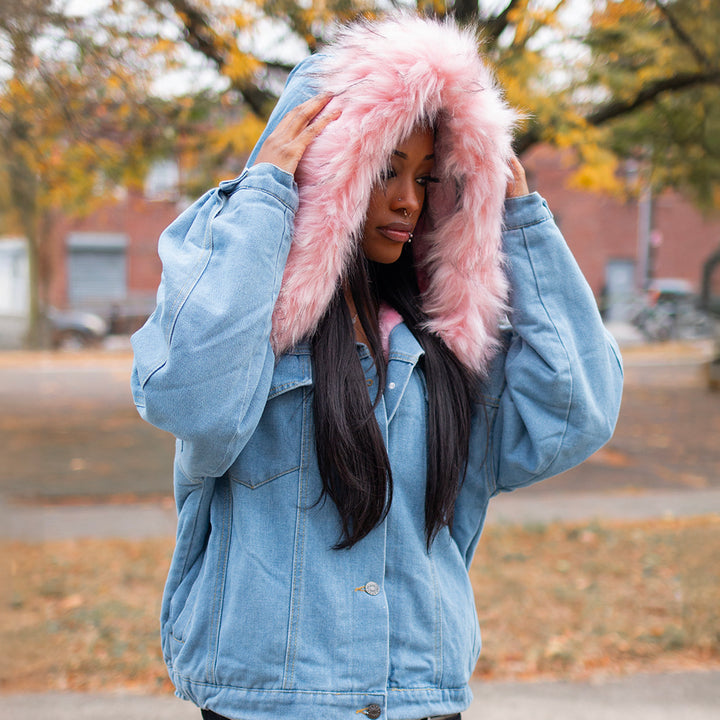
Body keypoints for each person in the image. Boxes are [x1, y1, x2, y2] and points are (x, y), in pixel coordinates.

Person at [131, 14, 623, 720]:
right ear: (326, 169)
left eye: (428, 177)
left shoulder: (447, 350)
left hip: (420, 696)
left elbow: (577, 414)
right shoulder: (247, 325)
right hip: (273, 704)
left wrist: (518, 221)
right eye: (385, 169)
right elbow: (189, 396)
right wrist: (269, 192)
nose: (408, 200)